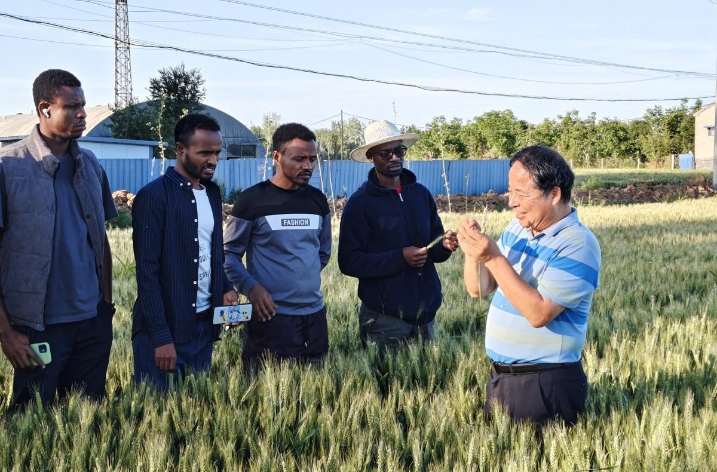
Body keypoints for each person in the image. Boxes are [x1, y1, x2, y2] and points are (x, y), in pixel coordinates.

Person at [458, 145, 601, 426]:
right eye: (510, 192)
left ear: (555, 193)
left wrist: (494, 257)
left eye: (521, 193)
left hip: (544, 383)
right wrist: (473, 252)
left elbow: (539, 313)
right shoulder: (517, 228)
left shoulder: (577, 244)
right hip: (502, 378)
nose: (511, 202)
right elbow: (478, 289)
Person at [0, 69, 117, 407]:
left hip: (91, 323)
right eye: (72, 107)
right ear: (45, 108)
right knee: (32, 422)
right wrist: (7, 334)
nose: (82, 114)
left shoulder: (91, 164)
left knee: (87, 419)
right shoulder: (9, 168)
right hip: (38, 327)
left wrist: (105, 309)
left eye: (83, 105)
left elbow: (102, 241)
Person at [132, 113, 238, 389]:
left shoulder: (213, 193)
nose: (213, 160)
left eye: (216, 152)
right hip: (166, 331)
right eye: (204, 153)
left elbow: (213, 250)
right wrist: (160, 338)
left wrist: (225, 286)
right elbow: (147, 273)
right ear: (180, 150)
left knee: (195, 407)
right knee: (156, 414)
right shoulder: (154, 196)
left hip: (204, 326)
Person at [338, 120, 458, 352]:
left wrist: (444, 246)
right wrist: (399, 257)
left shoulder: (421, 194)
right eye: (386, 153)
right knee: (387, 385)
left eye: (399, 151)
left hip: (426, 314)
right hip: (385, 319)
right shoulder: (359, 204)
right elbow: (349, 262)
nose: (394, 158)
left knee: (426, 384)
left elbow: (434, 249)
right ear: (371, 157)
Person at [224, 123, 331, 371]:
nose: (308, 166)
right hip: (270, 319)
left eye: (312, 159)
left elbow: (322, 253)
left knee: (313, 394)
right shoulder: (251, 200)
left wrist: (300, 278)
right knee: (267, 395)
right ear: (277, 157)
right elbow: (228, 254)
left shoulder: (317, 201)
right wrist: (252, 289)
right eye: (299, 159)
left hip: (314, 318)